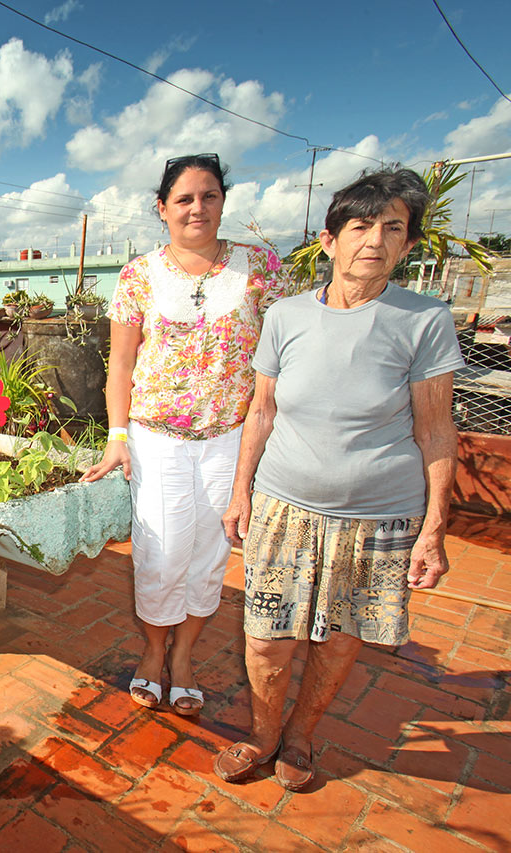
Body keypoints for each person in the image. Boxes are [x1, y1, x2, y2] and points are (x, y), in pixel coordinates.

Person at [213, 167, 463, 791]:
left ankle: (301, 735)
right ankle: (264, 733)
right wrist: (241, 490)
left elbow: (436, 432)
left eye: (392, 229)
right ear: (329, 241)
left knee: (342, 634)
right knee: (267, 637)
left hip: (380, 514)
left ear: (408, 246)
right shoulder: (286, 316)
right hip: (284, 504)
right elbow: (261, 410)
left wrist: (433, 531)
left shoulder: (424, 320)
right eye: (359, 226)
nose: (374, 240)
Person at [84, 153, 292, 716]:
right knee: (160, 553)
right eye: (184, 199)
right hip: (157, 441)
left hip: (231, 439)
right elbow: (121, 366)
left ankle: (184, 659)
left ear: (222, 201)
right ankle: (154, 654)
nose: (197, 208)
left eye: (209, 196)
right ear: (163, 208)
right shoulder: (138, 275)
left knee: (209, 556)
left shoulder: (262, 268)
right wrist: (117, 436)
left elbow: (282, 355)